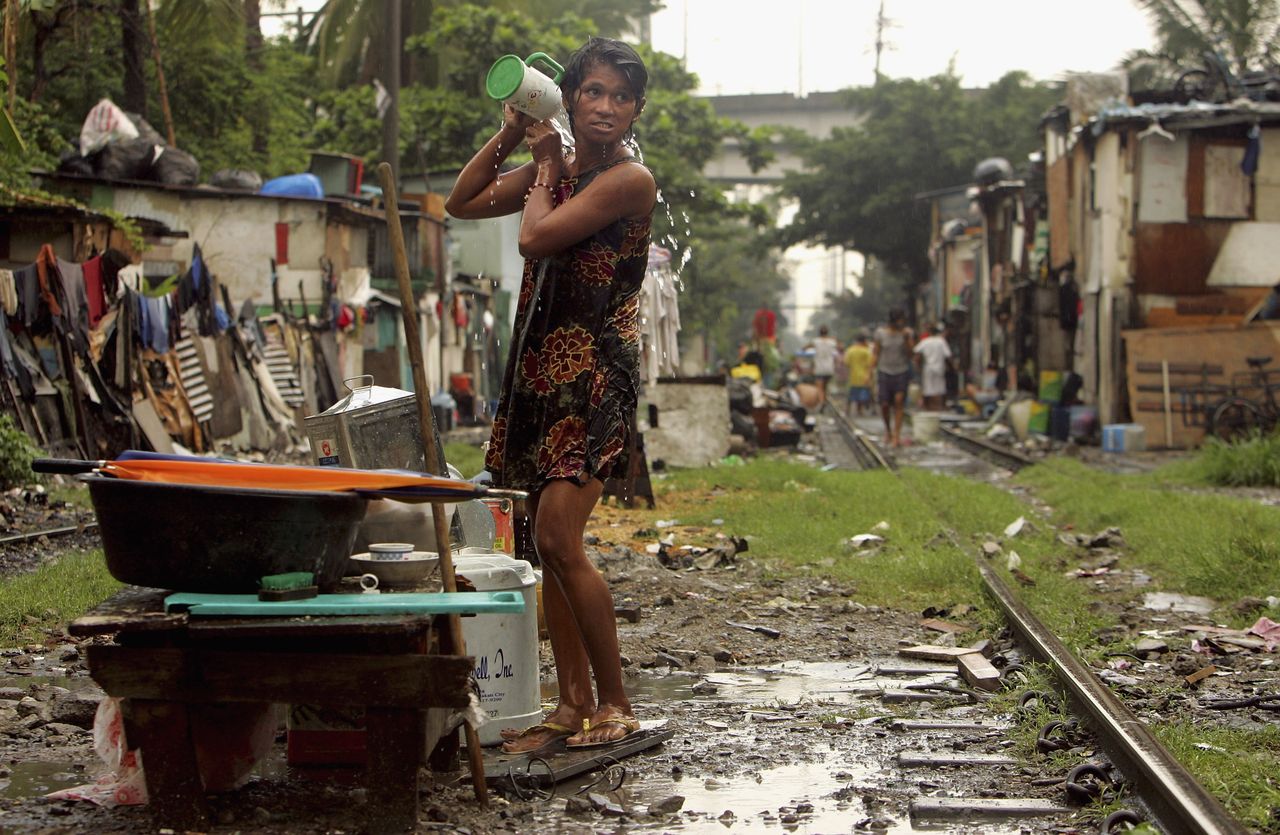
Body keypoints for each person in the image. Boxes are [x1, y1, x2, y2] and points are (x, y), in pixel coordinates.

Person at [445, 37, 654, 753]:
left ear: (635, 111)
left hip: (596, 372)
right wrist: (510, 131)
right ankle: (571, 703)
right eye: (592, 91)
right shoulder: (558, 169)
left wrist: (542, 165)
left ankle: (616, 704)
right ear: (568, 97)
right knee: (545, 539)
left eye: (621, 96)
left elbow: (534, 240)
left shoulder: (629, 180)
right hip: (542, 369)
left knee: (562, 535)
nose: (606, 107)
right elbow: (462, 201)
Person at [871, 308, 914, 446]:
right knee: (884, 404)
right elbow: (876, 353)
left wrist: (907, 339)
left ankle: (897, 435)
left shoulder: (906, 334)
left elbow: (910, 353)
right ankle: (888, 430)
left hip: (901, 371)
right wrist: (869, 372)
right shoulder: (880, 334)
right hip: (884, 371)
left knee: (899, 401)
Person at [913, 322, 953, 411]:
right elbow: (948, 356)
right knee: (940, 388)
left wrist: (917, 366)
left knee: (928, 388)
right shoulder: (941, 341)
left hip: (928, 368)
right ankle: (939, 407)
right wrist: (951, 367)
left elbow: (916, 353)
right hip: (939, 367)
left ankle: (929, 407)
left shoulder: (925, 341)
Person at [843, 331, 873, 417]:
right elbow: (870, 364)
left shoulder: (850, 350)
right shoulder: (866, 351)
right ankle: (860, 411)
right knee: (862, 396)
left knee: (851, 395)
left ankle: (847, 411)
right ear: (864, 341)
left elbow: (846, 362)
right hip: (864, 377)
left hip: (853, 377)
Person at [808, 325, 839, 405]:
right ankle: (825, 400)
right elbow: (838, 348)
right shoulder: (832, 342)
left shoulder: (816, 341)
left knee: (820, 388)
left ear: (819, 333)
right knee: (825, 387)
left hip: (819, 369)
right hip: (829, 368)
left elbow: (805, 347)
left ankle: (822, 403)